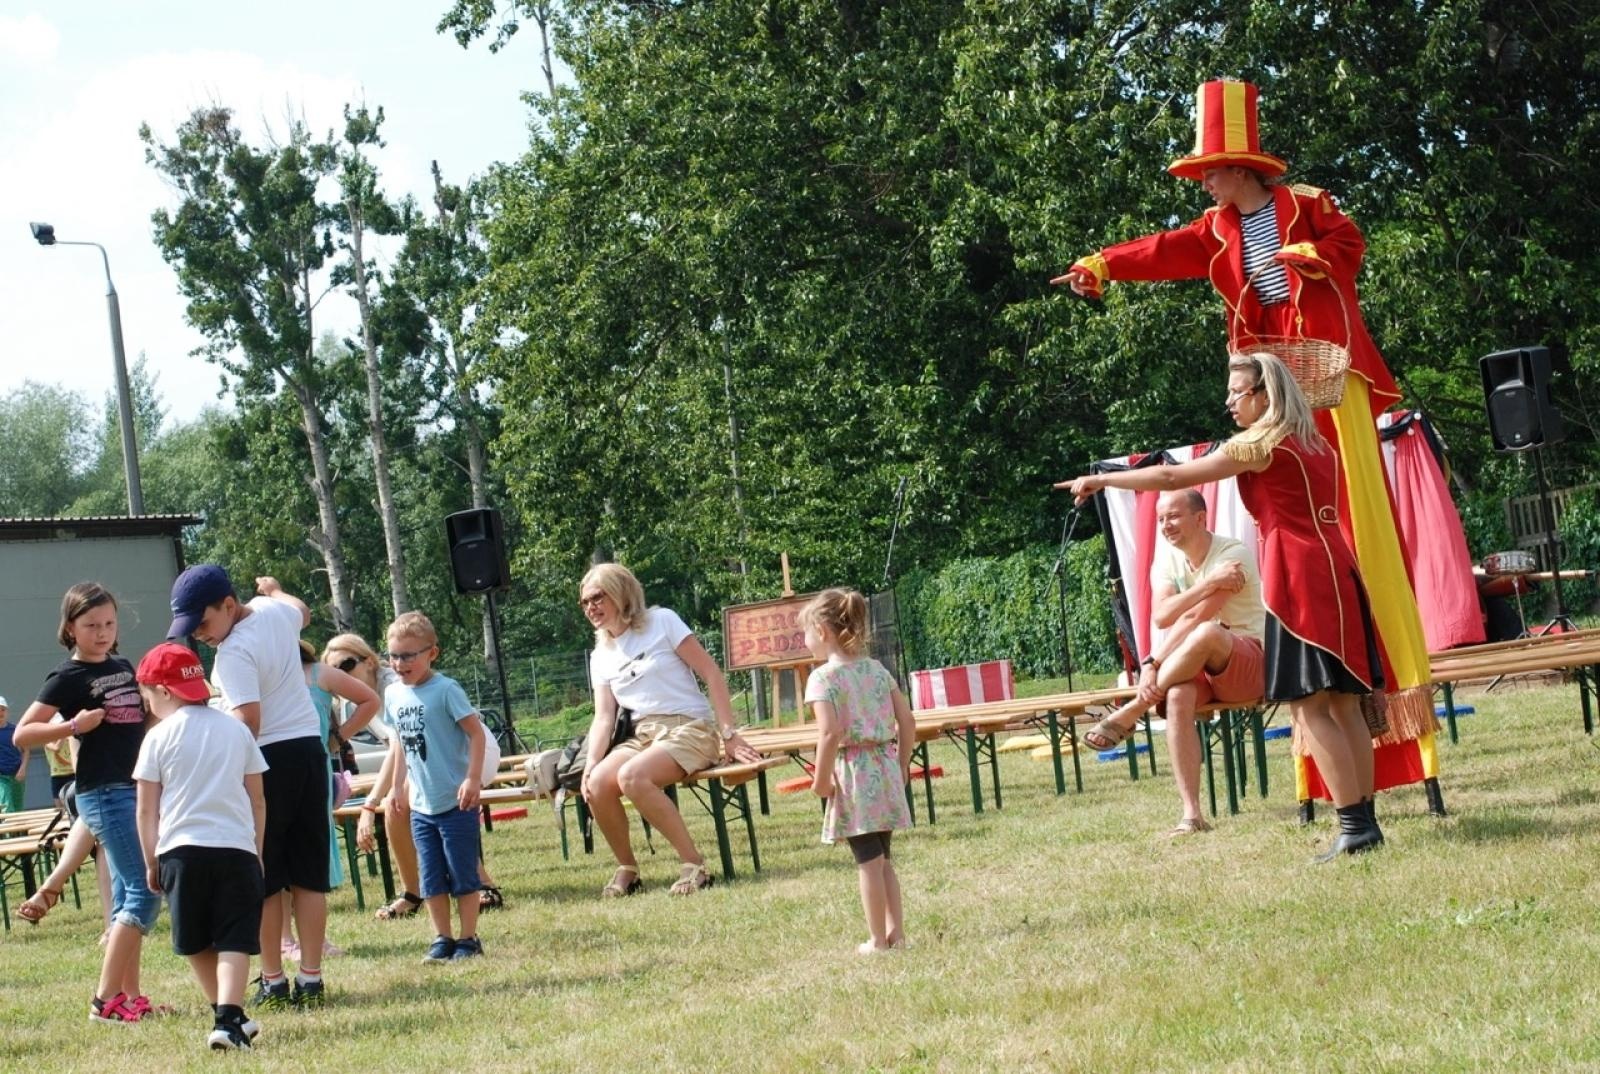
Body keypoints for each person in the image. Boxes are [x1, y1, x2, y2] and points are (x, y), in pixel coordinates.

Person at [1055, 79, 1435, 745]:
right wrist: (1102, 264)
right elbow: (1164, 249)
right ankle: (1346, 686)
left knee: (1352, 519)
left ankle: (1380, 679)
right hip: (1275, 380)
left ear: (1239, 169)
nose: (1203, 184)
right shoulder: (1217, 229)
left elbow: (1351, 249)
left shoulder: (1307, 204)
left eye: (1209, 171)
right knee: (1286, 510)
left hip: (1328, 370)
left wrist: (1308, 256)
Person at [1060, 352, 1386, 860]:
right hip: (1338, 566)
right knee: (1344, 702)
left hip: (1298, 572)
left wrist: (1103, 481)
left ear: (1263, 394)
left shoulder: (1262, 442)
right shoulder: (1314, 442)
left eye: (1237, 392)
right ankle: (1364, 822)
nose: (1229, 401)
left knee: (1309, 704)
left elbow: (1173, 478)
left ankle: (1352, 827)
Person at [169, 567, 369, 1008]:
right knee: (309, 877)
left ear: (227, 605)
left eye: (201, 623)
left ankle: (275, 981)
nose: (198, 635)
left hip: (266, 762)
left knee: (264, 878)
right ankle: (312, 979)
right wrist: (275, 589)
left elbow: (248, 723)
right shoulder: (271, 612)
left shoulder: (233, 654)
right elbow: (302, 609)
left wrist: (221, 770)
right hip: (309, 756)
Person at [12, 582, 162, 1022]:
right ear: (71, 628)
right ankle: (104, 1002)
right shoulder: (67, 676)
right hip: (103, 792)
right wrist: (73, 726)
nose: (102, 633)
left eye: (109, 623)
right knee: (143, 891)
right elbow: (24, 733)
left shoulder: (122, 664)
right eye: (91, 625)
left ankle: (130, 998)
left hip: (135, 788)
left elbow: (142, 718)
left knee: (125, 897)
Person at [1080, 489, 1266, 836]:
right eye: (1161, 518)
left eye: (1174, 516)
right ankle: (1191, 815)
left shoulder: (1233, 554)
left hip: (1249, 660)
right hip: (1193, 660)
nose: (1166, 525)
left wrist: (1154, 662)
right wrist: (1152, 661)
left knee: (1208, 632)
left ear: (1200, 517)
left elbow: (1199, 616)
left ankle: (1132, 709)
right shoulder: (1166, 560)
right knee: (1179, 695)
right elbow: (1163, 616)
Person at [578, 563, 759, 898]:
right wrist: (590, 764)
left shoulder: (662, 621)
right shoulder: (599, 655)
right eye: (584, 602)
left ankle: (694, 865)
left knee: (631, 777)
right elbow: (604, 717)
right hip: (643, 734)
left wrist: (729, 735)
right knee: (598, 782)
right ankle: (628, 869)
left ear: (621, 592)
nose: (591, 607)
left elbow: (711, 673)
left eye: (597, 597)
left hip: (690, 727)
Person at [133, 642, 268, 1052]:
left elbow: (145, 810)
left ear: (165, 691)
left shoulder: (157, 738)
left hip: (180, 851)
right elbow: (258, 799)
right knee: (235, 938)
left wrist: (151, 860)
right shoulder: (236, 728)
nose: (148, 705)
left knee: (194, 941)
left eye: (147, 697)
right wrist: (257, 851)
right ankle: (231, 1017)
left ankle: (226, 1016)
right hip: (236, 850)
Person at [335, 634, 509, 918]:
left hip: (470, 753)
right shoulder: (371, 696)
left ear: (368, 662)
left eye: (345, 665)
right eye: (333, 670)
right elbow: (401, 746)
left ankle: (463, 888)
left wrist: (370, 804)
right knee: (405, 808)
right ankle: (421, 891)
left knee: (404, 807)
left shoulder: (396, 683)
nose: (340, 674)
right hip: (435, 757)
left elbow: (398, 747)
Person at [801, 588, 915, 954]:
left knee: (867, 861)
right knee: (883, 860)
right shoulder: (878, 670)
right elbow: (907, 721)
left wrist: (820, 782)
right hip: (885, 767)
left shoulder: (822, 679)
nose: (804, 641)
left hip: (853, 774)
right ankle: (896, 934)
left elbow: (830, 732)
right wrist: (901, 765)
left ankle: (877, 940)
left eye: (805, 633)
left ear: (822, 630)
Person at [382, 611, 487, 962]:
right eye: (394, 655)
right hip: (422, 807)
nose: (400, 663)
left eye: (409, 655)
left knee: (463, 874)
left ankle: (469, 937)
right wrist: (396, 787)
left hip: (455, 803)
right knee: (430, 879)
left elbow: (475, 733)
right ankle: (442, 938)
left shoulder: (446, 690)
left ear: (432, 653)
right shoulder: (394, 695)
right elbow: (398, 742)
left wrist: (472, 778)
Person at [279, 640, 378, 962]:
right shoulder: (262, 675)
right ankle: (285, 940)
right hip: (272, 772)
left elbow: (368, 700)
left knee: (310, 857)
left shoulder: (318, 673)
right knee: (279, 857)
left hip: (313, 770)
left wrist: (337, 738)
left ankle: (314, 939)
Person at [0, 696, 28, 812]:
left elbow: (25, 750)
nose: (0, 713)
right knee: (7, 807)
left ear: (7, 712)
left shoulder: (16, 730)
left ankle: (19, 831)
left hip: (16, 775)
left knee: (18, 807)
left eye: (3, 709)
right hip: (1, 777)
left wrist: (23, 769)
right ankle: (8, 831)